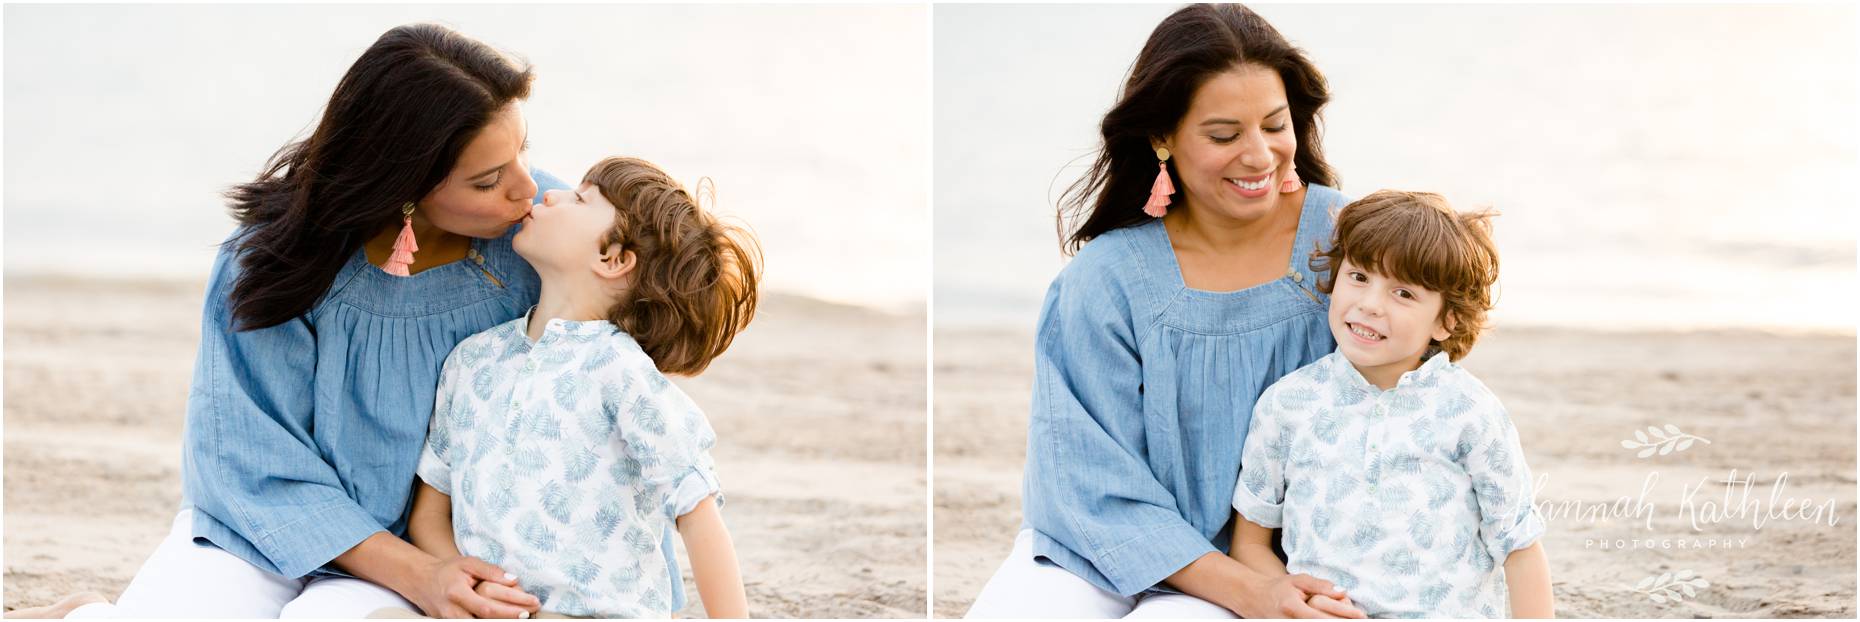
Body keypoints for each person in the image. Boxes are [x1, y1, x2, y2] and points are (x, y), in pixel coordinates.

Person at [13, 23, 577, 619]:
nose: (526, 189)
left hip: (442, 543)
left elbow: (658, 305)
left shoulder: (541, 235)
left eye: (522, 152)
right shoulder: (269, 262)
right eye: (488, 179)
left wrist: (439, 568)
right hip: (263, 531)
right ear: (402, 185)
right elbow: (248, 459)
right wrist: (420, 577)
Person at [966, 4, 1366, 619]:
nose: (1259, 156)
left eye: (1275, 125)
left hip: (1287, 563)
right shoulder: (1105, 280)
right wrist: (1246, 592)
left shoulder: (1347, 244)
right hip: (1098, 553)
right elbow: (1086, 481)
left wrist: (1269, 583)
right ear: (1161, 137)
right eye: (1224, 135)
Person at [371, 156, 759, 619]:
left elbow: (696, 514)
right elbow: (430, 511)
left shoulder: (621, 372)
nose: (547, 194)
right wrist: (468, 583)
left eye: (579, 198)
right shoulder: (472, 360)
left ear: (612, 258)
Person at [1229, 190, 1553, 618]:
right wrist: (1292, 598)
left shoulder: (1470, 412)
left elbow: (1520, 546)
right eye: (1359, 277)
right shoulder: (1287, 404)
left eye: (1403, 293)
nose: (1369, 304)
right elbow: (1249, 543)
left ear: (1446, 320)